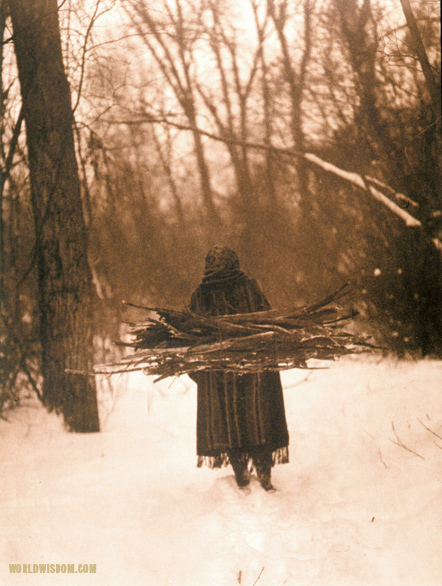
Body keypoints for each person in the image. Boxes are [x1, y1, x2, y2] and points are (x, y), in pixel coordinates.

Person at [188, 246, 289, 491]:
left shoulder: (202, 295)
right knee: (258, 419)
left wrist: (202, 374)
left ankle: (241, 473)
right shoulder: (250, 288)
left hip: (219, 375)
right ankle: (264, 473)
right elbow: (270, 325)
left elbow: (190, 340)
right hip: (254, 370)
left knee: (228, 421)